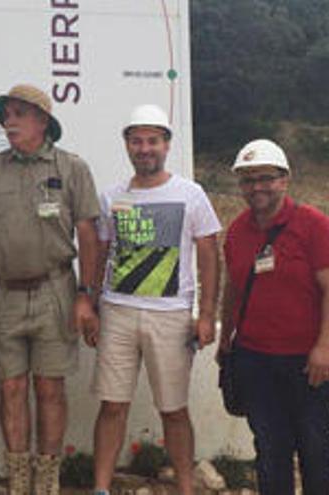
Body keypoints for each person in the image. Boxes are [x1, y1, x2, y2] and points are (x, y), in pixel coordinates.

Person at [0, 84, 100, 495]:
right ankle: (18, 479)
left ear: (42, 121)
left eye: (18, 113)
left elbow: (88, 235)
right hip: (4, 295)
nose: (9, 121)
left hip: (55, 292)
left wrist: (85, 295)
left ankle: (48, 479)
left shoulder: (71, 168)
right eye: (6, 114)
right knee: (11, 387)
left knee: (49, 389)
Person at [89, 104, 221, 495]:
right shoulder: (111, 196)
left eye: (153, 140)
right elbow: (98, 255)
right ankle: (100, 487)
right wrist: (90, 303)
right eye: (137, 140)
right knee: (112, 406)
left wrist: (206, 313)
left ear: (166, 145)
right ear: (127, 145)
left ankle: (184, 487)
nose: (144, 148)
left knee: (174, 410)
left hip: (172, 316)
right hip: (118, 312)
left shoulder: (190, 194)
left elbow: (211, 255)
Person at [219, 139, 329, 495]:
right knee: (270, 453)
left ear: (285, 180)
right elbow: (233, 289)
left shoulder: (313, 225)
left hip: (307, 364)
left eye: (265, 178)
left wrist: (324, 349)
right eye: (248, 180)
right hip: (256, 361)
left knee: (317, 453)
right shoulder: (236, 231)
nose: (257, 187)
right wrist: (225, 342)